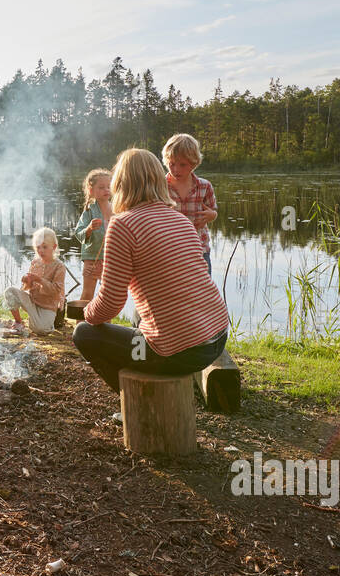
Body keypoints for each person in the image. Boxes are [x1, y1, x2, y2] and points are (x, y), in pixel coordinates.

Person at [73, 148, 229, 413]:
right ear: (159, 179)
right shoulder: (181, 220)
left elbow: (110, 303)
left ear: (120, 184)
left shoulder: (122, 225)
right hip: (216, 338)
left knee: (84, 334)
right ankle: (148, 387)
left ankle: (138, 406)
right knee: (138, 317)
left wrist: (86, 312)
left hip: (177, 352)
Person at [163, 133, 217, 276]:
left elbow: (213, 211)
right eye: (172, 164)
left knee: (203, 292)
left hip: (199, 249)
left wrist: (212, 215)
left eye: (182, 165)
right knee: (172, 292)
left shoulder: (204, 186)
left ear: (193, 163)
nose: (176, 169)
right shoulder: (160, 186)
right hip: (169, 250)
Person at [4, 227, 66, 336]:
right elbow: (27, 288)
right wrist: (26, 281)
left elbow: (55, 291)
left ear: (54, 247)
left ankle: (44, 323)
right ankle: (19, 322)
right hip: (32, 302)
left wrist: (40, 280)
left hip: (48, 307)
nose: (41, 250)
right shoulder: (35, 262)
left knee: (40, 330)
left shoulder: (59, 266)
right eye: (38, 247)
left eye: (45, 247)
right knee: (10, 291)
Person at [74, 168, 112, 303]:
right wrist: (89, 228)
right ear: (91, 190)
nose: (106, 190)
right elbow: (78, 233)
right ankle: (80, 323)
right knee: (87, 294)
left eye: (108, 186)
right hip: (92, 258)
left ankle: (107, 324)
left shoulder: (116, 209)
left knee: (109, 295)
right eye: (101, 187)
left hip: (111, 259)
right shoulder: (89, 210)